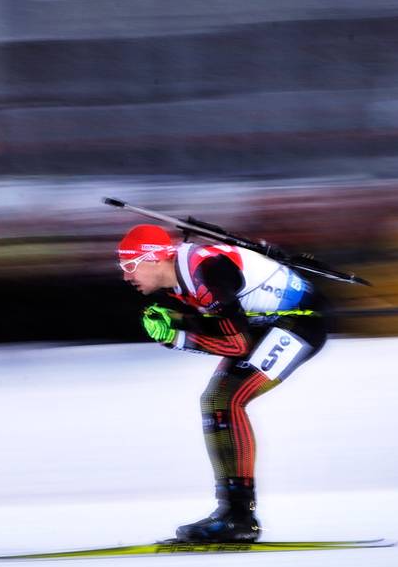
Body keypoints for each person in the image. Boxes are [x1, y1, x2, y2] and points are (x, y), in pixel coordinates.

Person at [117, 224, 330, 542]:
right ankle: (233, 513)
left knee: (227, 400)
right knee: (216, 400)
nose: (125, 276)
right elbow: (221, 326)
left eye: (130, 265)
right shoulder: (179, 278)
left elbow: (236, 343)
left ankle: (239, 517)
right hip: (266, 322)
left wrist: (177, 335)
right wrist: (178, 323)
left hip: (300, 322)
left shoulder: (205, 272)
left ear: (156, 258)